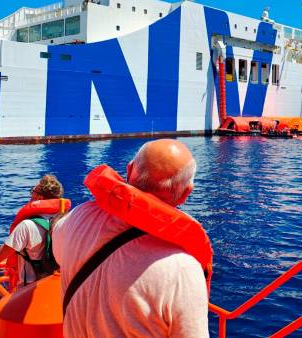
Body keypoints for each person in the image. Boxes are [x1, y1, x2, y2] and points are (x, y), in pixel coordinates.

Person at [52, 139, 210, 338]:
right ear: (186, 194)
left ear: (128, 170)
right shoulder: (182, 269)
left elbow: (57, 251)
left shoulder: (78, 217)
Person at [0, 174, 64, 286]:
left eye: (33, 192)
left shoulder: (27, 226)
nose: (30, 196)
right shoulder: (65, 221)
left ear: (39, 198)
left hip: (29, 290)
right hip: (56, 285)